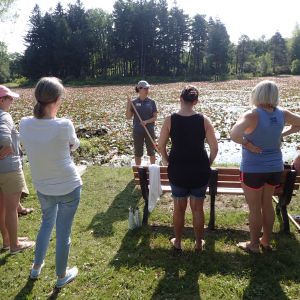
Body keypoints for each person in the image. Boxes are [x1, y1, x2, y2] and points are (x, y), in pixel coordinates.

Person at [20, 77, 82, 288]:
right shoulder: (64, 124)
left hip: (43, 187)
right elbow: (74, 146)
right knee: (63, 231)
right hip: (69, 186)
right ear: (57, 99)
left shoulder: (25, 123)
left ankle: (36, 267)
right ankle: (61, 276)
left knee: (46, 224)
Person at [230, 80, 300, 253]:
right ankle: (266, 241)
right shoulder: (282, 113)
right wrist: (283, 133)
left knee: (255, 209)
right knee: (267, 204)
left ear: (257, 94)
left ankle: (253, 245)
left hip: (253, 169)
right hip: (275, 168)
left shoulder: (252, 114)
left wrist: (248, 144)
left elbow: (234, 134)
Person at [158, 85, 218, 252]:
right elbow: (214, 148)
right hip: (199, 169)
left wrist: (166, 160)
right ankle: (199, 243)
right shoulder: (204, 120)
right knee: (197, 208)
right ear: (196, 102)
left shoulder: (170, 120)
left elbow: (161, 145)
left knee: (179, 207)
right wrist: (208, 163)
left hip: (177, 169)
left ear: (180, 99)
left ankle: (178, 242)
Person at [0, 85, 35, 254]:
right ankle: (15, 245)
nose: (12, 101)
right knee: (12, 208)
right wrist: (5, 149)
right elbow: (4, 139)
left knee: (1, 207)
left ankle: (7, 240)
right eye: (9, 98)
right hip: (9, 169)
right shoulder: (4, 116)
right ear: (1, 100)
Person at [126, 80, 158, 165]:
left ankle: (152, 169)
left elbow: (155, 118)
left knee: (151, 151)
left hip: (149, 130)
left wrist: (146, 122)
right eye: (145, 88)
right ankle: (138, 172)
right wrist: (128, 104)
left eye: (148, 88)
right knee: (138, 152)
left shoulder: (152, 102)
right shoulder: (134, 102)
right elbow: (128, 117)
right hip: (137, 131)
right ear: (139, 89)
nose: (147, 90)